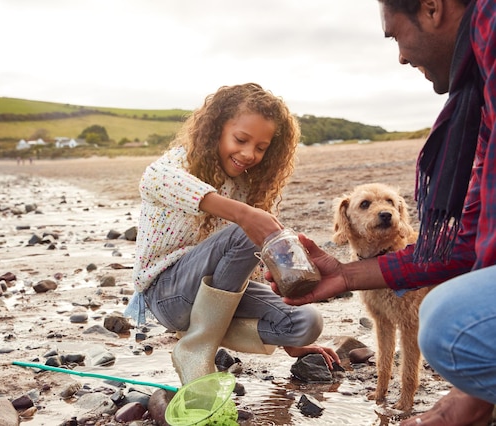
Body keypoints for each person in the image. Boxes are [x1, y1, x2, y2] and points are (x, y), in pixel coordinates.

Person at [268, 1, 496, 425]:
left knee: (445, 322)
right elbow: (469, 241)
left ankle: (421, 395)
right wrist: (344, 275)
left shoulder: (491, 34)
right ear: (348, 216)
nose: (401, 57)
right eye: (368, 205)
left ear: (432, 8)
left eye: (395, 35)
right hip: (378, 270)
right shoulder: (479, 97)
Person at [125, 83, 339, 386]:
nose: (249, 153)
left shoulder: (243, 188)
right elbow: (152, 180)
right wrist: (244, 214)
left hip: (214, 300)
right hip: (169, 293)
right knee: (246, 227)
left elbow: (238, 262)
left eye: (262, 148)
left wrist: (289, 341)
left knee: (306, 322)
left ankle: (205, 335)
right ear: (216, 130)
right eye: (241, 139)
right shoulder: (179, 163)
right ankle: (197, 350)